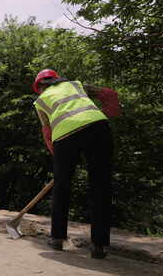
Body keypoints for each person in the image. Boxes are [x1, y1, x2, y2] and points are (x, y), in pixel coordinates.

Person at [32, 69, 120, 259]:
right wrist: (104, 116)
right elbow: (110, 95)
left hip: (65, 137)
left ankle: (57, 239)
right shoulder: (77, 85)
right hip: (99, 128)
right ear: (56, 78)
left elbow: (48, 133)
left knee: (62, 187)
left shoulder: (40, 102)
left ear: (39, 87)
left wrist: (60, 163)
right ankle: (99, 245)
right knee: (101, 186)